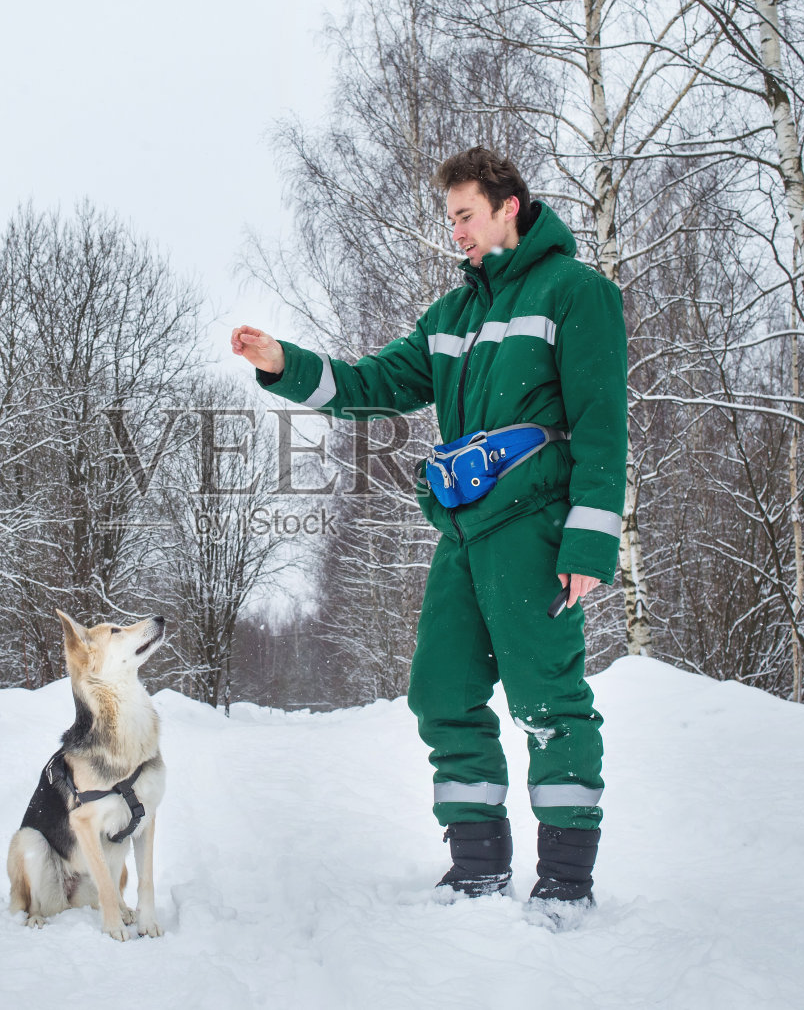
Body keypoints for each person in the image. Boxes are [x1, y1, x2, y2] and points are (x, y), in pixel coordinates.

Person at [232, 147, 627, 919]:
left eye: (466, 215)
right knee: (441, 691)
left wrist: (588, 543)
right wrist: (284, 364)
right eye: (450, 219)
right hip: (464, 535)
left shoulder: (575, 293)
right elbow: (371, 383)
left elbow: (601, 426)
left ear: (509, 207)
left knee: (549, 699)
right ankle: (478, 863)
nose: (457, 232)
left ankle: (567, 880)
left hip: (538, 533)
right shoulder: (453, 317)